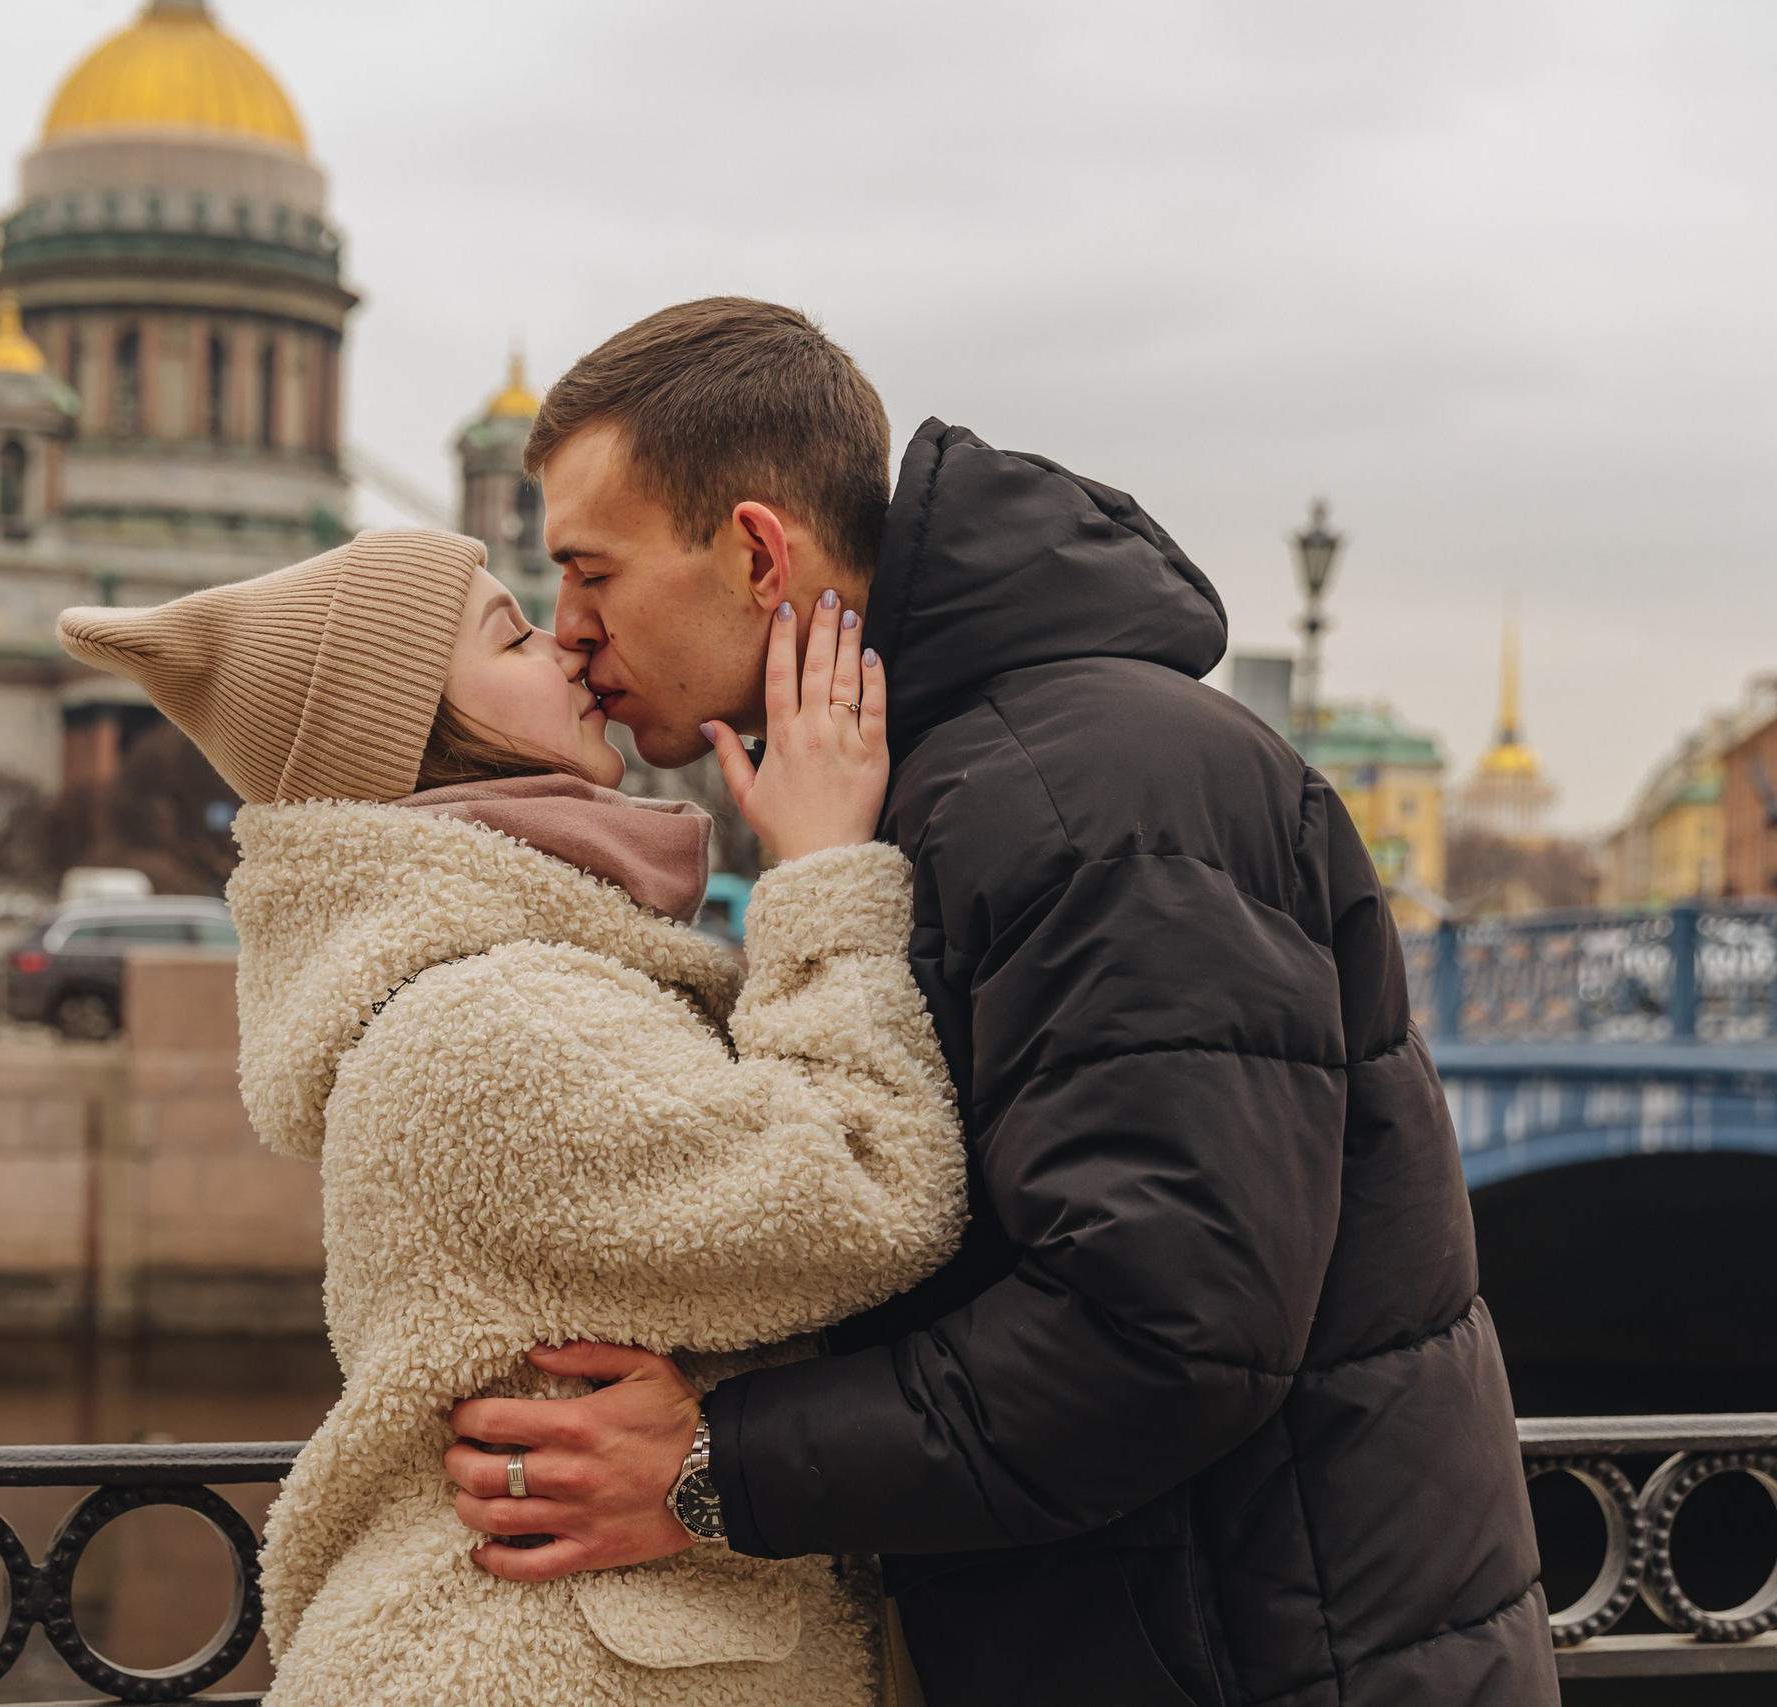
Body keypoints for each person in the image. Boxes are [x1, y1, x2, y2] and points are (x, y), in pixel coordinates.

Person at [448, 299, 1556, 1707]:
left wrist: (715, 1465)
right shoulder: (973, 778)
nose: (570, 632)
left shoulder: (1091, 795)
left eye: (591, 573)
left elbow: (1164, 1328)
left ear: (757, 553)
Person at [57, 529, 970, 1706]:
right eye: (511, 636)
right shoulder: (496, 1018)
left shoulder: (497, 982)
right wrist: (823, 871)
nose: (568, 644)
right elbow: (868, 1187)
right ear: (410, 736)